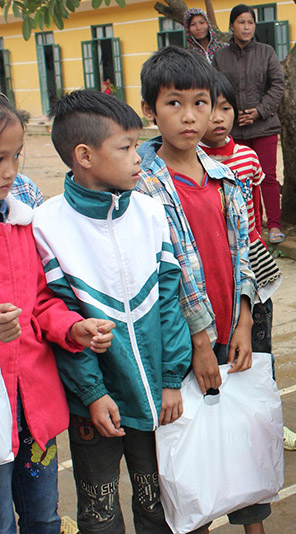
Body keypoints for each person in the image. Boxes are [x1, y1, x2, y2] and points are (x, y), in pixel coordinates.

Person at [33, 89, 192, 534]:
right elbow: (59, 317)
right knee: (99, 511)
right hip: (94, 406)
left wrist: (171, 379)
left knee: (157, 502)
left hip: (156, 397)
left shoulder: (150, 212)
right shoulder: (48, 225)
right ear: (84, 155)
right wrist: (92, 392)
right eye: (125, 147)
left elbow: (169, 301)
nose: (138, 157)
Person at [134, 47, 266, 534]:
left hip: (232, 332)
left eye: (199, 103)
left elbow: (245, 251)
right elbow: (164, 279)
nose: (189, 116)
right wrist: (198, 342)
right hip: (182, 343)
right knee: (194, 455)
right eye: (174, 103)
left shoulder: (226, 178)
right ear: (149, 109)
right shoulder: (143, 188)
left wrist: (245, 320)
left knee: (241, 442)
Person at [0, 94, 115, 534]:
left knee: (43, 517)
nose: (9, 171)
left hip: (32, 407)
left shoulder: (22, 218)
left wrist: (74, 327)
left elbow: (42, 299)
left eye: (16, 155)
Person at [199, 74, 296, 451]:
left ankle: (268, 423)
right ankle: (226, 431)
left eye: (225, 108)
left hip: (252, 259)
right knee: (221, 350)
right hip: (213, 269)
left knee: (260, 346)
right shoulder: (194, 163)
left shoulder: (247, 157)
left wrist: (263, 237)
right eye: (209, 109)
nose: (217, 118)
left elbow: (255, 205)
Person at [213, 4, 286, 244]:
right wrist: (231, 113)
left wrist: (259, 111)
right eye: (241, 22)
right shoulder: (220, 57)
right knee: (238, 178)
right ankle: (249, 225)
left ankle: (274, 224)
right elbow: (216, 89)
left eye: (250, 23)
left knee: (268, 177)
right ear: (232, 26)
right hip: (234, 128)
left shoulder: (266, 52)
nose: (246, 27)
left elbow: (277, 85)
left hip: (264, 126)